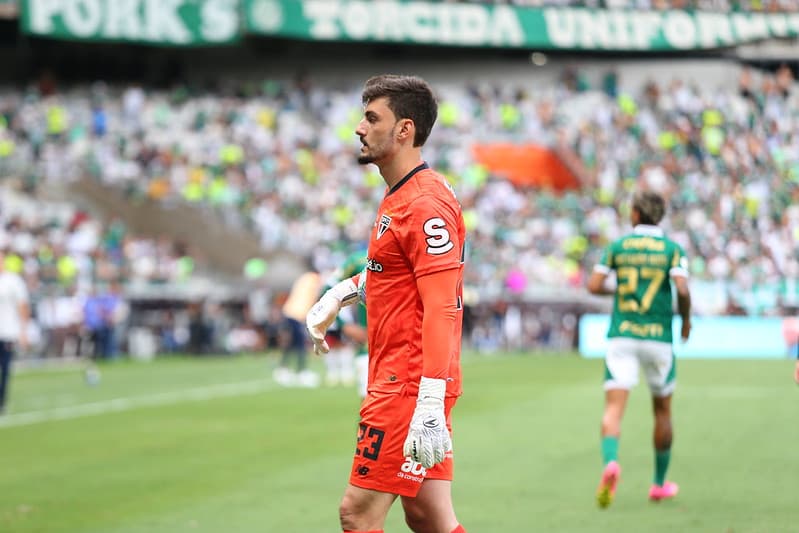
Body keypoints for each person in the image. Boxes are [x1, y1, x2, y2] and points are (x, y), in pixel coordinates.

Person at [306, 75, 467, 533]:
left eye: (372, 118)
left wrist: (429, 401)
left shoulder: (424, 204)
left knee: (357, 514)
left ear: (404, 130)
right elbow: (395, 272)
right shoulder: (403, 193)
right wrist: (341, 293)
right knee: (428, 515)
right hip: (404, 378)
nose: (359, 128)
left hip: (408, 385)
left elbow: (441, 305)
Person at [587, 190, 692, 508]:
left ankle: (611, 462)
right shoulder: (672, 249)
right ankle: (658, 484)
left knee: (613, 409)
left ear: (635, 214)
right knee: (662, 411)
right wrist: (686, 320)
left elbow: (594, 285)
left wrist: (621, 290)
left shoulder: (618, 246)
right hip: (658, 337)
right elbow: (682, 289)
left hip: (623, 334)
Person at [275, 258, 321, 388]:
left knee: (292, 344)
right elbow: (314, 298)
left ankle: (283, 369)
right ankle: (301, 371)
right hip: (298, 314)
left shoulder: (303, 278)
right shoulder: (314, 279)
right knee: (300, 344)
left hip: (290, 311)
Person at [0, 251, 30, 414]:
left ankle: (2, 400)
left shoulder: (12, 281)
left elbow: (22, 305)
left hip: (7, 332)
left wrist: (23, 331)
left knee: (4, 368)